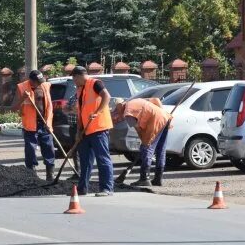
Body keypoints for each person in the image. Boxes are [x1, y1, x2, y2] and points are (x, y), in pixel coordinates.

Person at [72, 66, 114, 196]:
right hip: (85, 130)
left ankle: (107, 188)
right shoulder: (80, 90)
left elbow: (107, 96)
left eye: (74, 79)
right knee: (85, 160)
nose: (74, 82)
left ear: (78, 76)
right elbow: (80, 112)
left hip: (98, 128)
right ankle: (82, 188)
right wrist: (78, 132)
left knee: (102, 158)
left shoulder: (95, 83)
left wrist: (98, 112)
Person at [113, 97, 172, 187]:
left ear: (121, 105)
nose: (117, 112)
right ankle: (158, 179)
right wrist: (162, 113)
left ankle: (144, 178)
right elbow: (156, 99)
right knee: (161, 149)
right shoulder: (134, 101)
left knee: (146, 148)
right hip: (165, 117)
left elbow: (138, 130)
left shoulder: (128, 113)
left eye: (117, 109)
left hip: (156, 120)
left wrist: (144, 142)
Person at [11, 69, 56, 180]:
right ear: (30, 80)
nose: (40, 83)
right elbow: (13, 108)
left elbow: (49, 105)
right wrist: (23, 98)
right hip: (30, 125)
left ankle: (50, 174)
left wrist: (48, 122)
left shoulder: (45, 85)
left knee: (49, 148)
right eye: (37, 81)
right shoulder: (22, 87)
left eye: (41, 81)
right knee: (30, 149)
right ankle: (31, 174)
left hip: (45, 124)